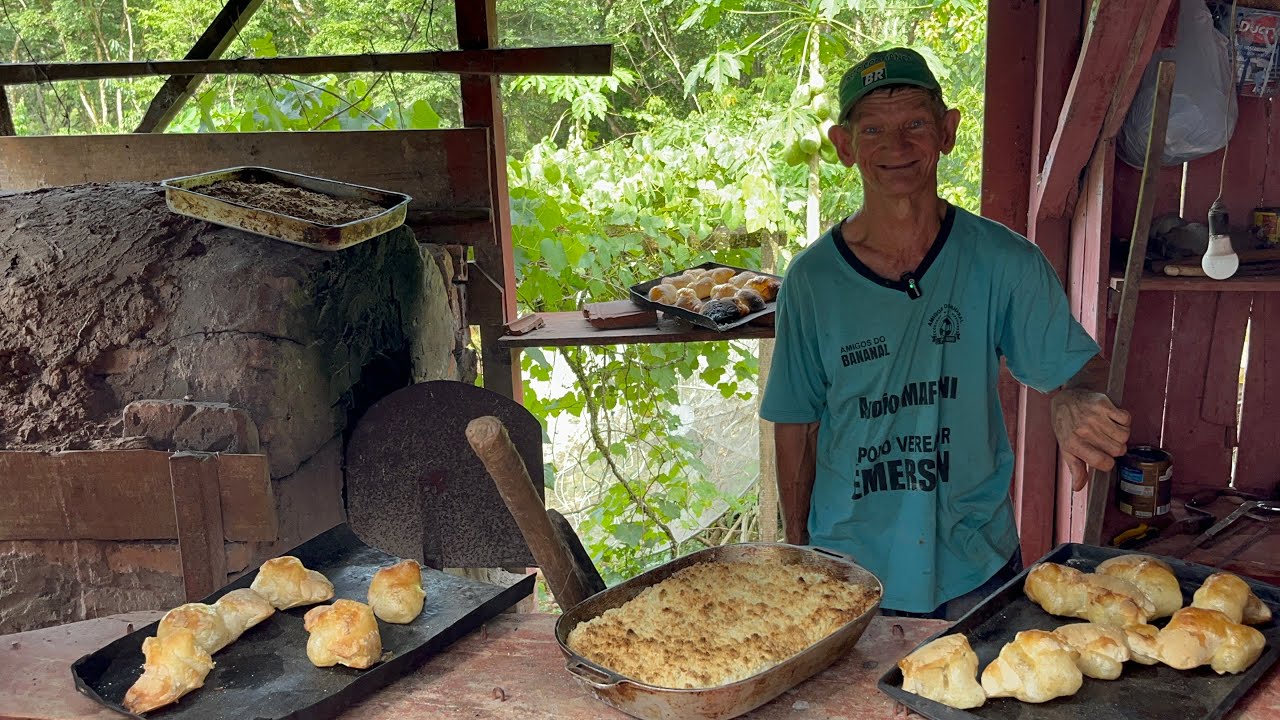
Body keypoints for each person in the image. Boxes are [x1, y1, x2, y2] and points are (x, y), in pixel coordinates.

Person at [759, 47, 1132, 620]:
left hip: (976, 561)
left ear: (947, 131)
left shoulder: (1003, 260)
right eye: (874, 129)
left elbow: (1076, 365)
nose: (897, 146)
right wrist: (797, 550)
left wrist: (1072, 396)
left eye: (914, 124)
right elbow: (795, 422)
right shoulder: (813, 280)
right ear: (844, 146)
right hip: (850, 572)